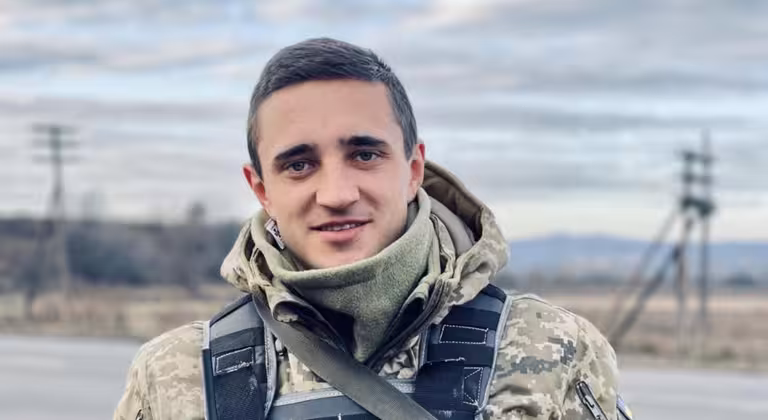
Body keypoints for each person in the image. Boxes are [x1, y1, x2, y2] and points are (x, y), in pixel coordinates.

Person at [114, 38, 628, 420]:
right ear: (262, 189)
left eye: (364, 154)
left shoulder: (552, 348)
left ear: (413, 169)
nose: (336, 193)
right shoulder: (175, 373)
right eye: (299, 165)